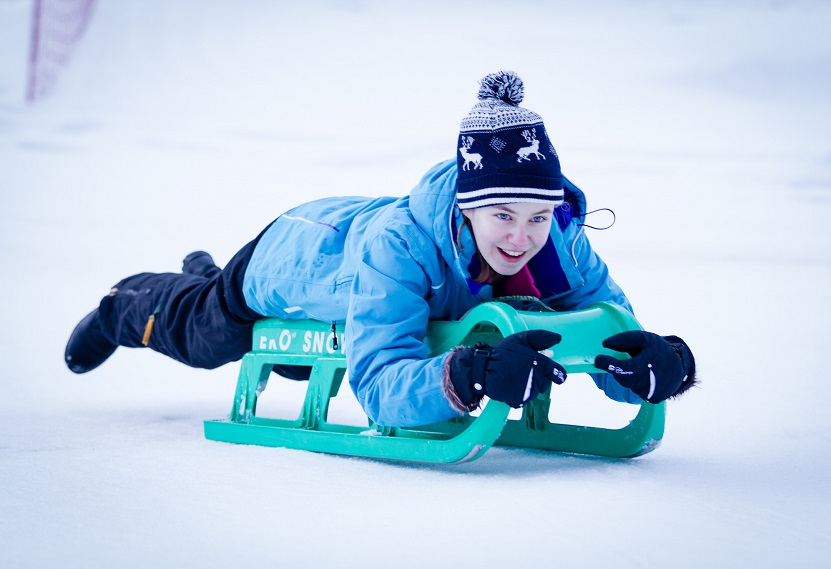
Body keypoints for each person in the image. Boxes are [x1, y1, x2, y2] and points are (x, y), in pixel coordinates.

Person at [65, 71, 696, 427]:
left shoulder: (559, 243)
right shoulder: (402, 247)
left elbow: (610, 336)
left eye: (536, 216)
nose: (520, 238)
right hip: (300, 254)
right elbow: (377, 383)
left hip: (357, 280)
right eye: (501, 214)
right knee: (207, 337)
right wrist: (467, 372)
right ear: (466, 206)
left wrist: (654, 367)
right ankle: (127, 304)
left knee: (297, 364)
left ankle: (200, 272)